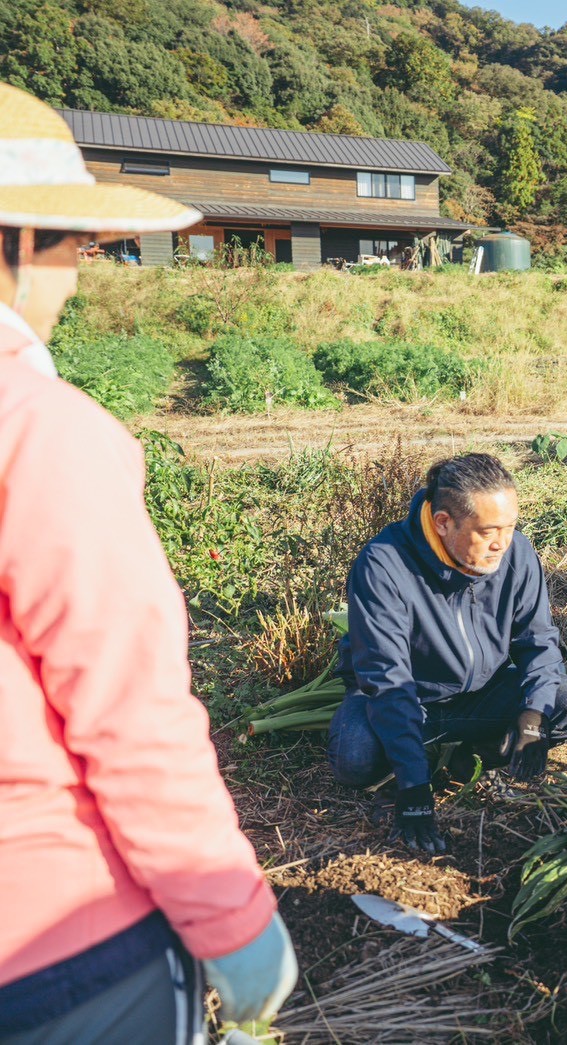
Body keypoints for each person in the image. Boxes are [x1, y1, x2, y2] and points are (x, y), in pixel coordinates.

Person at [0, 83, 297, 1042]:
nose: (74, 277)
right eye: (72, 247)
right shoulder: (41, 431)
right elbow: (129, 712)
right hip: (55, 938)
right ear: (16, 243)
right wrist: (235, 921)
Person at [328, 453, 567, 853]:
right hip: (409, 701)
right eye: (488, 531)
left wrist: (532, 716)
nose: (501, 543)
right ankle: (412, 763)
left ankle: (472, 756)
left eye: (510, 527)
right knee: (354, 758)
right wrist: (414, 787)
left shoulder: (516, 554)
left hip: (481, 695)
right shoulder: (383, 565)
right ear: (443, 522)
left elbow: (539, 641)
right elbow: (388, 680)